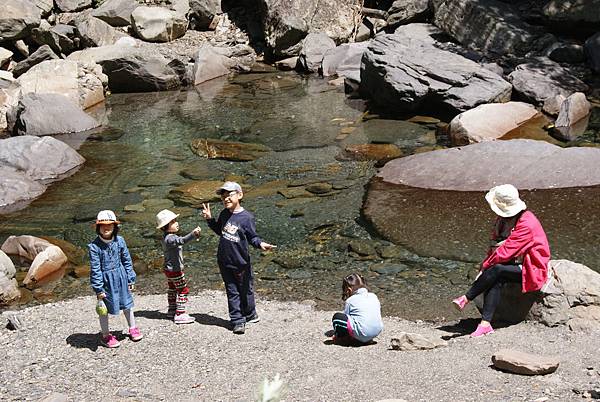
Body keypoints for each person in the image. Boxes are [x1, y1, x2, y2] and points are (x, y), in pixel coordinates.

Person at [452, 184, 550, 337]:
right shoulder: (503, 221)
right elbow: (494, 247)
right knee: (495, 277)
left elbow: (506, 251)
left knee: (496, 270)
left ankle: (466, 298)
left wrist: (484, 267)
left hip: (530, 267)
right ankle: (485, 324)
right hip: (513, 263)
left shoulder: (527, 223)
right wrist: (486, 265)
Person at [201, 181, 276, 335]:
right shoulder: (224, 214)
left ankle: (250, 313)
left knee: (246, 289)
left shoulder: (246, 217)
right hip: (224, 260)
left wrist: (260, 244)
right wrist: (209, 219)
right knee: (232, 290)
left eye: (229, 194)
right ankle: (237, 320)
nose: (226, 198)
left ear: (240, 195)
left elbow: (252, 237)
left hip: (241, 262)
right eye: (223, 196)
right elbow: (220, 231)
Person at [89, 210, 143, 348]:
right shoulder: (94, 247)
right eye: (102, 225)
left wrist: (131, 278)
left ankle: (133, 327)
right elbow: (95, 269)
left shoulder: (120, 241)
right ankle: (106, 335)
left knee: (127, 303)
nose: (106, 228)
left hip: (121, 277)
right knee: (104, 309)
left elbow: (127, 260)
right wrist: (98, 288)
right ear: (98, 227)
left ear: (115, 227)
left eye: (110, 225)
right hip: (106, 281)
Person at [156, 209, 201, 324]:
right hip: (175, 270)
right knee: (183, 290)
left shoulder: (166, 237)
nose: (177, 223)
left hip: (168, 269)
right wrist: (193, 234)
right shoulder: (171, 238)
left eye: (176, 220)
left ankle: (172, 310)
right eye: (173, 222)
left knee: (172, 288)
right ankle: (180, 314)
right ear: (165, 226)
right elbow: (182, 240)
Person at [332, 273, 383, 345]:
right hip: (376, 331)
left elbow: (347, 317)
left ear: (349, 290)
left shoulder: (350, 300)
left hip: (362, 333)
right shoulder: (373, 296)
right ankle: (367, 338)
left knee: (337, 317)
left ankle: (343, 338)